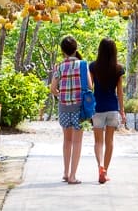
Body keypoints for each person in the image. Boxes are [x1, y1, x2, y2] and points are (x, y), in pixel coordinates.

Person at [49, 35, 91, 185]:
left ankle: (66, 173)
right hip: (80, 108)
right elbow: (90, 87)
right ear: (76, 49)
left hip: (64, 107)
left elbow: (52, 88)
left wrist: (62, 95)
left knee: (66, 140)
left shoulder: (59, 67)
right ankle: (73, 176)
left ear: (62, 51)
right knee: (77, 142)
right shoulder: (83, 65)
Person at [89, 37, 126, 184]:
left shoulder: (93, 67)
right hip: (112, 108)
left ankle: (100, 167)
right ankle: (105, 171)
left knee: (98, 142)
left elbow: (89, 88)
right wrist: (122, 110)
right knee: (109, 141)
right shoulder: (118, 69)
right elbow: (120, 92)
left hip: (97, 108)